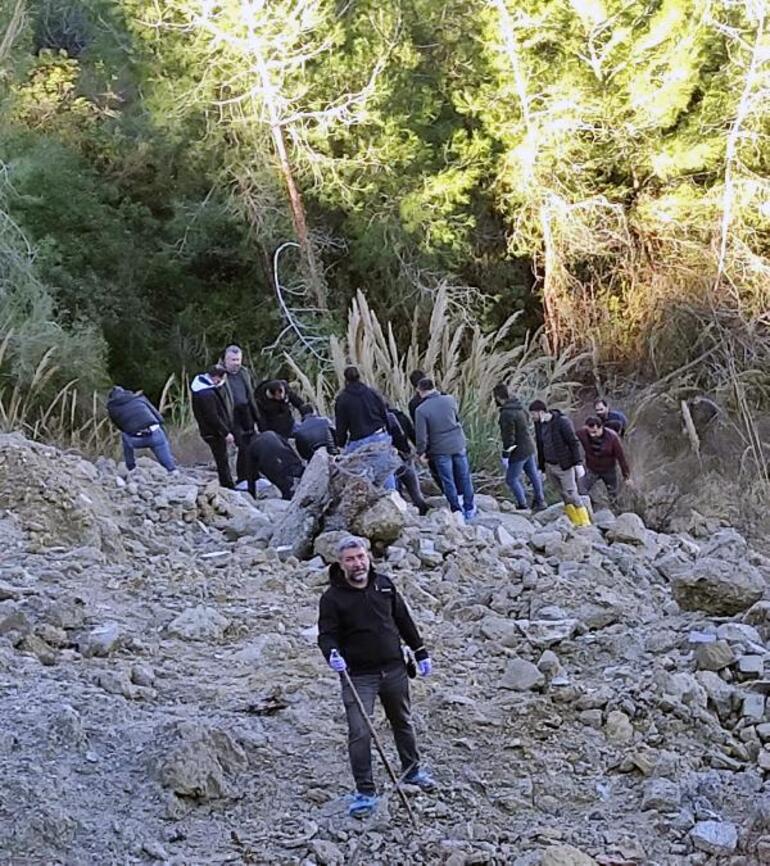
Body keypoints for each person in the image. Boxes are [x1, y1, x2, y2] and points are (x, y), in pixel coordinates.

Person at [318, 536, 435, 819]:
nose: (357, 564)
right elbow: (327, 634)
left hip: (394, 668)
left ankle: (411, 771)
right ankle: (365, 791)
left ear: (368, 557)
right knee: (360, 732)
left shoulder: (384, 585)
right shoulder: (332, 598)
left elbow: (403, 619)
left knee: (402, 721)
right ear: (340, 563)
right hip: (358, 676)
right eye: (350, 559)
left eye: (361, 557)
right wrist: (332, 653)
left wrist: (420, 651)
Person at [414, 378, 475, 521]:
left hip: (440, 448)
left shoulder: (421, 410)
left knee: (448, 480)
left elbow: (422, 437)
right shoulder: (450, 399)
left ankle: (456, 509)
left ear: (420, 390)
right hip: (458, 443)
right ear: (434, 387)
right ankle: (470, 508)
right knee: (465, 477)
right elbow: (456, 418)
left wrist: (421, 453)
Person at [529, 399, 590, 526]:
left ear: (540, 412)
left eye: (533, 414)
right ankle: (574, 520)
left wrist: (578, 463)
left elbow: (573, 442)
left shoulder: (562, 422)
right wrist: (541, 468)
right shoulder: (539, 425)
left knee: (571, 493)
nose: (532, 417)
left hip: (564, 465)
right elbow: (540, 446)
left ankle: (585, 521)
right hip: (550, 465)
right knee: (562, 494)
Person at [334, 366, 395, 489]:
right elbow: (384, 412)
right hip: (379, 435)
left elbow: (341, 426)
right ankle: (392, 496)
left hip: (359, 439)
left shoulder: (342, 399)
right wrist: (388, 429)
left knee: (356, 470)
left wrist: (340, 443)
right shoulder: (372, 393)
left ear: (345, 379)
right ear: (359, 376)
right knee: (385, 470)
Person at [493, 384, 545, 511]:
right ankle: (540, 501)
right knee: (533, 475)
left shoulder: (506, 414)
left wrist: (506, 455)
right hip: (529, 447)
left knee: (511, 479)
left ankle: (522, 504)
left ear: (498, 398)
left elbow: (508, 438)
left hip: (518, 451)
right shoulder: (520, 407)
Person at [107, 386, 176, 473]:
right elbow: (160, 418)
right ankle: (172, 469)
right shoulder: (140, 399)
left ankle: (131, 468)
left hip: (135, 439)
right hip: (154, 433)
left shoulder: (112, 408)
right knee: (167, 459)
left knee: (125, 437)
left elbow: (120, 427)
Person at [220, 345, 260, 485]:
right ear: (225, 359)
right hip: (231, 415)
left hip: (246, 412)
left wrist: (256, 415)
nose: (236, 363)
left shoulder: (244, 372)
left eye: (238, 360)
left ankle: (255, 476)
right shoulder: (219, 375)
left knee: (254, 444)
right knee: (242, 446)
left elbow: (251, 393)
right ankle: (243, 478)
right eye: (232, 360)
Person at [191, 365, 235, 489]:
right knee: (222, 460)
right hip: (213, 432)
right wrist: (225, 432)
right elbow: (213, 417)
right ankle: (228, 486)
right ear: (216, 377)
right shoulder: (206, 394)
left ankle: (227, 483)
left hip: (210, 431)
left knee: (222, 459)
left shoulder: (201, 387)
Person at [577, 416, 630, 505]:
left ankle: (615, 511)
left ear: (600, 427)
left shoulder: (612, 438)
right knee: (581, 488)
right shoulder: (583, 433)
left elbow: (621, 458)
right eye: (589, 432)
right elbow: (571, 436)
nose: (591, 435)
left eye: (594, 432)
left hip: (609, 470)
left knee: (613, 494)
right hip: (592, 469)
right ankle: (591, 505)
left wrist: (626, 476)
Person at [386, 408, 429, 516]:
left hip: (390, 458)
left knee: (395, 490)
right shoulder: (400, 416)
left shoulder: (376, 419)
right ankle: (424, 511)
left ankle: (401, 513)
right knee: (414, 490)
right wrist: (421, 451)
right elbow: (412, 434)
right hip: (406, 455)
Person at [246, 431, 304, 500]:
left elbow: (250, 474)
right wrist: (297, 461)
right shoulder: (270, 433)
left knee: (284, 486)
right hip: (286, 455)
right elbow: (287, 445)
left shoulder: (250, 448)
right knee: (297, 475)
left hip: (270, 466)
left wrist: (252, 495)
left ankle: (288, 496)